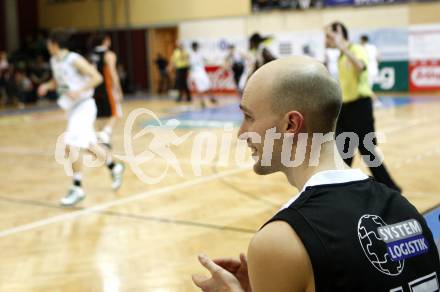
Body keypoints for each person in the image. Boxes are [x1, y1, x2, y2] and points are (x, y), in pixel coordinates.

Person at [192, 56, 440, 292]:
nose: (241, 132)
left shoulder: (281, 240)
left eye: (248, 117)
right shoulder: (406, 211)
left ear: (290, 124)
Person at [38, 30, 124, 207]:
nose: (47, 46)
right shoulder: (54, 61)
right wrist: (47, 85)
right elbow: (58, 81)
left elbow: (97, 77)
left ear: (54, 43)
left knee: (71, 143)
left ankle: (77, 187)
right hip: (72, 108)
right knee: (89, 146)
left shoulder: (74, 59)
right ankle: (115, 167)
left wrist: (80, 90)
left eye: (48, 43)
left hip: (85, 105)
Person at [325, 21, 400, 191]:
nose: (326, 39)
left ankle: (391, 188)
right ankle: (337, 187)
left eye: (329, 35)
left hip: (360, 107)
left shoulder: (355, 49)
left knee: (367, 150)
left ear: (339, 34)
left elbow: (360, 67)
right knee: (343, 149)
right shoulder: (340, 57)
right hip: (346, 108)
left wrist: (343, 47)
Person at [89, 34, 124, 148]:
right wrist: (118, 89)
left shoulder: (92, 55)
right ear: (105, 41)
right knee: (116, 113)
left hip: (93, 89)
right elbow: (113, 72)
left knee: (100, 116)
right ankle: (105, 133)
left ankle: (101, 140)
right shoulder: (109, 54)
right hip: (107, 88)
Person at [189, 42, 216, 108]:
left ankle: (211, 98)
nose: (196, 48)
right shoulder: (191, 55)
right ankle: (202, 101)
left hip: (202, 72)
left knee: (208, 84)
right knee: (199, 88)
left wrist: (211, 61)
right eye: (195, 47)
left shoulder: (200, 54)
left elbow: (205, 59)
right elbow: (190, 66)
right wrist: (191, 76)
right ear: (193, 47)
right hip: (195, 73)